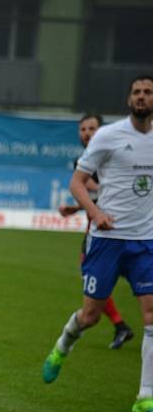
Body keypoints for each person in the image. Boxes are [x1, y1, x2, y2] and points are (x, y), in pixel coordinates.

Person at [42, 75, 153, 412]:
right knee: (90, 316)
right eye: (137, 91)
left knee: (151, 316)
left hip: (145, 242)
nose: (142, 97)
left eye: (148, 92)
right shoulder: (109, 136)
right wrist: (94, 213)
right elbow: (77, 182)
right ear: (128, 98)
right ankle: (63, 345)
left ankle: (145, 394)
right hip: (106, 241)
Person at [58, 113, 134, 350]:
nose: (87, 133)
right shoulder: (83, 163)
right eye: (82, 129)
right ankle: (121, 326)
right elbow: (101, 193)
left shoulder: (120, 155)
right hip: (101, 231)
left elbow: (107, 191)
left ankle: (121, 326)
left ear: (103, 131)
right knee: (94, 286)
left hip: (131, 232)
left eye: (92, 128)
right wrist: (79, 207)